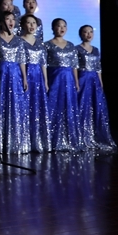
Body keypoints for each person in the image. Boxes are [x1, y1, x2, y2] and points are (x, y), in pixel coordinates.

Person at [0, 12, 29, 153]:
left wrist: (24, 78)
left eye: (13, 19)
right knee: (0, 105)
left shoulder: (19, 40)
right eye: (8, 19)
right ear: (1, 22)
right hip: (0, 75)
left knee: (15, 105)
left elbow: (21, 60)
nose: (11, 22)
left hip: (15, 76)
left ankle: (15, 142)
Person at [76, 25, 116, 152]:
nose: (88, 34)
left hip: (94, 80)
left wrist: (101, 83)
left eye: (91, 32)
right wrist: (76, 82)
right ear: (81, 34)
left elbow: (98, 68)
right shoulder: (77, 49)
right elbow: (75, 68)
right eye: (85, 32)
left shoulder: (96, 50)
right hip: (83, 78)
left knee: (97, 106)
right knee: (83, 106)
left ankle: (96, 136)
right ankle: (82, 136)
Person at [45, 18, 82, 151]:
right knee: (53, 106)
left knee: (69, 107)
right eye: (58, 26)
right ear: (53, 28)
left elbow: (74, 66)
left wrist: (76, 81)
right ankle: (51, 140)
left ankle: (69, 139)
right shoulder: (47, 45)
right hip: (54, 79)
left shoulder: (71, 45)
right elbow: (44, 65)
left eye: (64, 26)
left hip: (69, 80)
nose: (61, 28)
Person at [20, 14, 52, 153]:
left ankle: (38, 141)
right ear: (22, 25)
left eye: (34, 23)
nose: (32, 25)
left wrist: (45, 81)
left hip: (38, 76)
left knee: (37, 107)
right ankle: (24, 142)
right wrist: (23, 78)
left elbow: (43, 63)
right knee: (25, 107)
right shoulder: (19, 41)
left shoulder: (40, 43)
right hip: (25, 74)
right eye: (28, 22)